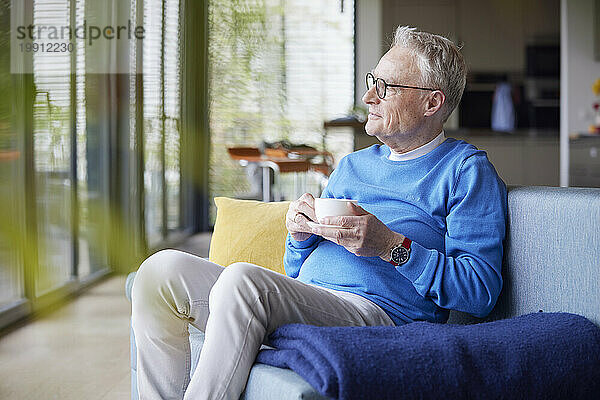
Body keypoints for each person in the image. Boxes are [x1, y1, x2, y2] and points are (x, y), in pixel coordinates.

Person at [131, 26, 507, 400]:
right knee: (159, 273)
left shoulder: (465, 170)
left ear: (431, 103)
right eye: (372, 81)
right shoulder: (352, 166)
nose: (368, 96)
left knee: (242, 281)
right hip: (310, 298)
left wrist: (392, 246)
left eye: (385, 87)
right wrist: (300, 237)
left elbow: (480, 291)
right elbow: (294, 271)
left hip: (379, 316)